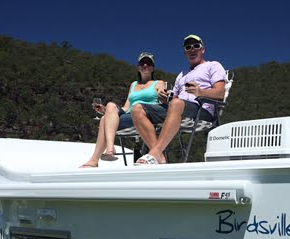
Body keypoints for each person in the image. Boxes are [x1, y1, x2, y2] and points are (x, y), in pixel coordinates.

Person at [131, 34, 226, 165]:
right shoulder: (181, 75)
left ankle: (154, 152)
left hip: (202, 111)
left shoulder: (213, 66)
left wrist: (200, 92)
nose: (192, 49)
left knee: (176, 104)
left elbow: (220, 93)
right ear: (185, 53)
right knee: (137, 109)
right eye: (188, 47)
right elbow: (174, 99)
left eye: (196, 46)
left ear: (202, 49)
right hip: (178, 108)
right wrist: (165, 98)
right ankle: (159, 154)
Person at [80, 52, 165, 167]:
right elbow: (126, 107)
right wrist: (106, 110)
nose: (145, 65)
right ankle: (109, 149)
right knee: (109, 107)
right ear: (138, 67)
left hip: (145, 115)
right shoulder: (134, 84)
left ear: (153, 67)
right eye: (142, 63)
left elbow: (162, 96)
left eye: (148, 63)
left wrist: (163, 94)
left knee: (104, 120)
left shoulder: (158, 83)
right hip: (129, 115)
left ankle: (95, 160)